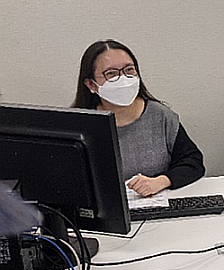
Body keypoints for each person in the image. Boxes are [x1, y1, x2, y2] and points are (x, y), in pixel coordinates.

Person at [72, 40, 205, 197]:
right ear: (91, 85)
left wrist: (163, 180)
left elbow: (193, 162)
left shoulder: (161, 116)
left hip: (157, 206)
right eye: (111, 74)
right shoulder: (79, 125)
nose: (123, 79)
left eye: (129, 70)